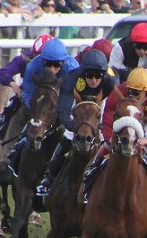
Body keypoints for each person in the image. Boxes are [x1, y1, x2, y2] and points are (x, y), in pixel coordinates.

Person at [84, 68, 147, 211]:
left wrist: (145, 141)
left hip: (146, 123)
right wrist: (110, 138)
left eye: (136, 93)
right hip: (122, 122)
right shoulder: (119, 93)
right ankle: (92, 170)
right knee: (108, 142)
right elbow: (107, 122)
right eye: (130, 91)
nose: (131, 95)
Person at [36, 49, 118, 196]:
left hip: (102, 104)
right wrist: (76, 128)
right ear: (83, 72)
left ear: (103, 74)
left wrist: (105, 128)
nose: (94, 80)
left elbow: (114, 108)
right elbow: (64, 111)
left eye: (98, 76)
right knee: (67, 136)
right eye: (90, 76)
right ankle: (48, 178)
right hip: (78, 106)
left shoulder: (110, 81)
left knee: (108, 137)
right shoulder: (72, 79)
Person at [7, 38, 79, 173]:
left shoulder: (72, 68)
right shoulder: (33, 66)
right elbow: (28, 94)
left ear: (63, 62)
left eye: (57, 65)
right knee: (26, 121)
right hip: (40, 101)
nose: (52, 69)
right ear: (43, 60)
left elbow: (75, 95)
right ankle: (14, 154)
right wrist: (39, 113)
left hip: (65, 101)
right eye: (49, 64)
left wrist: (61, 112)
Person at [0, 33, 53, 139]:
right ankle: (1, 135)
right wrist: (14, 85)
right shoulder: (24, 60)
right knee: (12, 107)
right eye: (37, 58)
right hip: (27, 97)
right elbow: (2, 73)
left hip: (50, 100)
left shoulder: (59, 64)